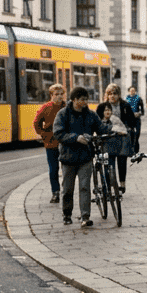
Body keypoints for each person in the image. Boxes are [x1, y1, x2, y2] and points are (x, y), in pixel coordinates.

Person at [52, 86, 111, 227]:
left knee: (85, 187)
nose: (85, 102)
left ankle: (85, 216)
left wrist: (114, 129)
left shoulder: (90, 114)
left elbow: (101, 128)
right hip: (68, 158)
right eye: (82, 100)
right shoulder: (63, 114)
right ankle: (67, 214)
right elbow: (58, 133)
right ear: (74, 100)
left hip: (85, 157)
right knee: (67, 189)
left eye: (86, 99)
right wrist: (75, 138)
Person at [95, 84, 135, 192]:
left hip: (122, 136)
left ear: (119, 95)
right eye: (110, 93)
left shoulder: (125, 105)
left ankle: (122, 184)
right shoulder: (102, 106)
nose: (112, 96)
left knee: (122, 161)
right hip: (108, 137)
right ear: (107, 95)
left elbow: (132, 122)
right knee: (109, 162)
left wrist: (128, 129)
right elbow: (97, 121)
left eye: (115, 93)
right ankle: (110, 185)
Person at [33, 83, 66, 204]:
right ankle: (55, 192)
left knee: (66, 168)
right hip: (51, 142)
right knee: (53, 169)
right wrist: (43, 134)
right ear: (51, 95)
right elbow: (36, 122)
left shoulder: (66, 106)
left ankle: (66, 191)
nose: (59, 97)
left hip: (65, 142)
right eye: (56, 94)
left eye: (61, 94)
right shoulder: (46, 107)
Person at [123, 85, 144, 154]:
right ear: (129, 92)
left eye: (133, 90)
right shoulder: (126, 99)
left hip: (137, 118)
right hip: (130, 119)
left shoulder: (139, 98)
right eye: (131, 91)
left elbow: (142, 110)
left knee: (137, 133)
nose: (132, 92)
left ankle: (136, 147)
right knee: (131, 134)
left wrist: (139, 113)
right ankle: (133, 149)